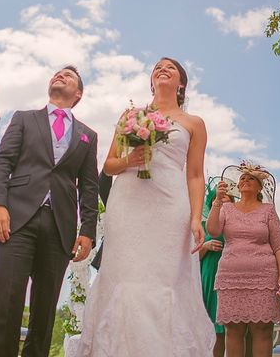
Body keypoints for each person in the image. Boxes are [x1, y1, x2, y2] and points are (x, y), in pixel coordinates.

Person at [77, 57, 214, 356]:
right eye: (157, 68)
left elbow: (194, 175)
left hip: (170, 206)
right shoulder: (131, 115)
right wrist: (130, 160)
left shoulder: (194, 123)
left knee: (164, 280)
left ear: (181, 84)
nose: (163, 69)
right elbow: (109, 166)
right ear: (151, 81)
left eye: (171, 68)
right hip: (128, 205)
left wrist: (195, 218)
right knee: (124, 276)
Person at [0, 65, 99, 357]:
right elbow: (2, 162)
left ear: (78, 94)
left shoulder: (88, 135)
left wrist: (87, 231)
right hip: (16, 220)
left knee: (45, 310)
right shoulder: (24, 119)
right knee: (6, 302)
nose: (60, 76)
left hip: (60, 227)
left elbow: (88, 186)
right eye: (57, 74)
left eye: (68, 76)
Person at [207, 161, 280, 357]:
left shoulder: (268, 210)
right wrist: (218, 202)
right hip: (231, 278)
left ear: (259, 186)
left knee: (262, 330)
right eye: (242, 177)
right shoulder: (226, 209)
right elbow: (213, 230)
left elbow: (279, 246)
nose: (245, 180)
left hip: (263, 278)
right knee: (233, 331)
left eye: (251, 178)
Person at [200, 178, 235, 357]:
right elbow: (191, 257)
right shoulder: (203, 226)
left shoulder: (236, 224)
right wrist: (204, 247)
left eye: (228, 197)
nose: (224, 200)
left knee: (223, 329)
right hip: (207, 275)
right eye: (220, 198)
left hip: (228, 276)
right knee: (208, 327)